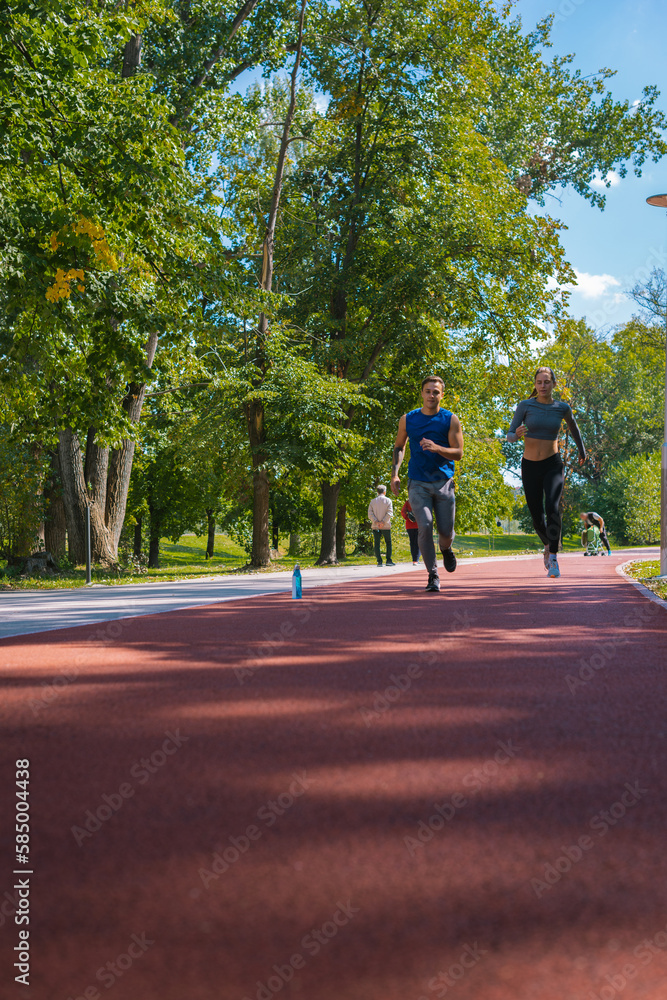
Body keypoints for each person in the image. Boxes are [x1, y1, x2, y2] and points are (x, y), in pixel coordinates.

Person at [507, 366, 586, 578]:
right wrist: (517, 433)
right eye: (539, 382)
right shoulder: (525, 406)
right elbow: (509, 435)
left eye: (547, 382)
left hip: (553, 464)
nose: (543, 386)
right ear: (535, 384)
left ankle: (553, 557)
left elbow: (574, 428)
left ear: (554, 384)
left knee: (552, 506)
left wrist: (582, 451)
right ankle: (547, 543)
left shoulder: (562, 408)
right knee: (536, 515)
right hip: (530, 465)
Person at [390, 376, 463, 593]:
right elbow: (399, 447)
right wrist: (395, 474)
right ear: (421, 393)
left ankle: (446, 548)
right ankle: (433, 575)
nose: (432, 395)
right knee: (425, 525)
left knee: (446, 532)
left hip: (443, 483)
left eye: (436, 392)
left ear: (442, 395)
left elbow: (458, 453)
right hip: (417, 482)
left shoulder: (450, 419)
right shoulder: (408, 419)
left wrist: (437, 447)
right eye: (428, 391)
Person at [368, 485, 395, 566]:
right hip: (386, 525)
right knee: (388, 542)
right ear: (385, 491)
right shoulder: (388, 500)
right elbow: (390, 513)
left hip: (375, 526)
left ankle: (379, 561)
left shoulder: (372, 501)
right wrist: (383, 522)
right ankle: (388, 560)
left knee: (377, 543)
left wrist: (376, 522)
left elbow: (370, 514)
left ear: (377, 492)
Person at [400, 499, 421, 564]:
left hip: (409, 525)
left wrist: (407, 518)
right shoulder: (421, 500)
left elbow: (403, 512)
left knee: (412, 542)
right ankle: (416, 559)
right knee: (418, 543)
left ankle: (414, 559)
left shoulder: (408, 502)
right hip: (418, 524)